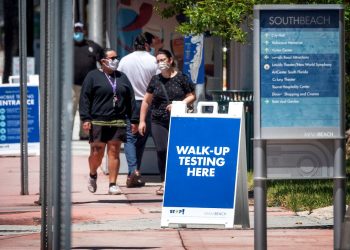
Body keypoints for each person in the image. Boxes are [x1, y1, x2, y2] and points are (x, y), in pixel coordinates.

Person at [79, 48, 139, 195]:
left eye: (116, 57)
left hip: (118, 120)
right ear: (103, 61)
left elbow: (131, 98)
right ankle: (93, 174)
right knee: (97, 152)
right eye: (112, 58)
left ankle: (113, 183)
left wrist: (134, 120)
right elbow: (85, 98)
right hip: (98, 120)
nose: (115, 60)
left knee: (114, 152)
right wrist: (86, 118)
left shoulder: (122, 77)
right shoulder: (92, 76)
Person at [138, 49, 196, 195]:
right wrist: (141, 121)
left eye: (163, 60)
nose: (160, 63)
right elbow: (146, 101)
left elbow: (192, 96)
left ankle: (177, 181)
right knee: (162, 150)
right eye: (158, 61)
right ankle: (164, 181)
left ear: (170, 60)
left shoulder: (182, 78)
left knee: (177, 151)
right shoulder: (155, 79)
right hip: (158, 119)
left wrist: (180, 104)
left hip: (179, 120)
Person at [117, 32, 159, 188]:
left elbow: (118, 81)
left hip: (130, 103)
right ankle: (134, 171)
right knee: (141, 138)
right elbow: (159, 84)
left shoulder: (125, 61)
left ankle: (133, 170)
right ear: (147, 45)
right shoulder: (153, 61)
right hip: (148, 103)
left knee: (130, 137)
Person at [73, 22, 103, 140]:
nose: (78, 33)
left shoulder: (93, 46)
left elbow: (103, 61)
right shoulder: (67, 46)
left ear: (84, 31)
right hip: (71, 85)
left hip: (89, 85)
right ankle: (65, 136)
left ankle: (84, 134)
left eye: (80, 30)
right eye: (76, 30)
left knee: (86, 110)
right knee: (70, 110)